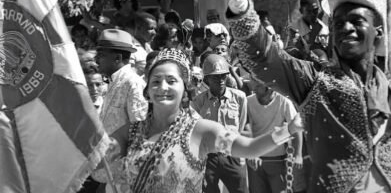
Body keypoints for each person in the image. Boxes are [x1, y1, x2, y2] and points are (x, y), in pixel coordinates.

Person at [216, 0, 391, 192]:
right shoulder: (316, 82)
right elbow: (265, 59)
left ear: (378, 31)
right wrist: (238, 2)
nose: (345, 27)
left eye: (356, 20)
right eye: (338, 21)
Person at [92, 48, 303, 193]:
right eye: (156, 81)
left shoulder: (201, 131)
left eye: (171, 81)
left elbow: (248, 148)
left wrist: (288, 131)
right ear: (147, 91)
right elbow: (96, 164)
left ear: (185, 89)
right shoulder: (130, 132)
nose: (162, 87)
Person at [192, 54, 248, 193]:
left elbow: (241, 125)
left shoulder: (240, 98)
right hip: (208, 157)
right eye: (215, 77)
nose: (221, 80)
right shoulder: (199, 101)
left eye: (223, 76)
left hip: (232, 154)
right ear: (207, 79)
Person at [246, 79, 303, 193]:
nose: (253, 88)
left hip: (278, 160)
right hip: (255, 162)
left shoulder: (284, 101)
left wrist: (298, 155)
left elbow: (296, 128)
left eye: (257, 85)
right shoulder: (248, 101)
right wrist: (251, 152)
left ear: (268, 88)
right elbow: (246, 128)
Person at [95, 29, 148, 136]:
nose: (96, 59)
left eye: (101, 55)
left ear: (117, 58)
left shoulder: (133, 84)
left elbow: (139, 130)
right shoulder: (110, 81)